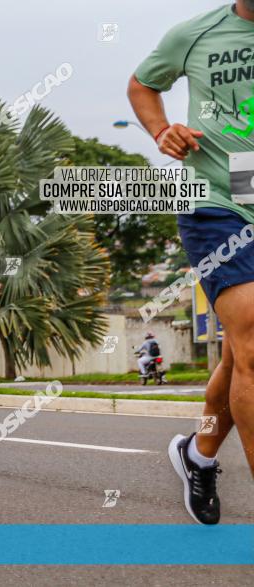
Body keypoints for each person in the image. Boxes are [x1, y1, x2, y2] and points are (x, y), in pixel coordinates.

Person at [128, 0, 254, 525]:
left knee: (239, 356)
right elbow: (142, 85)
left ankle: (197, 454)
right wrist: (161, 131)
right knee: (251, 341)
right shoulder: (197, 33)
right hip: (217, 203)